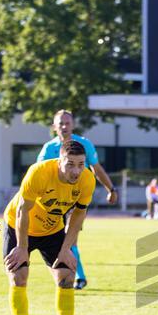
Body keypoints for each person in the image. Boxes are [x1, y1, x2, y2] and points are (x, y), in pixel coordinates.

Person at [4, 140, 96, 315]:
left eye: (81, 164)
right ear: (59, 161)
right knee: (19, 277)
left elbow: (78, 217)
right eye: (70, 164)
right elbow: (21, 212)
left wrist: (66, 249)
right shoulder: (39, 172)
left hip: (52, 229)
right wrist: (22, 247)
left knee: (66, 277)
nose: (76, 170)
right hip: (19, 226)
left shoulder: (87, 180)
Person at [37, 110, 117, 290]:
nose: (64, 126)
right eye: (61, 123)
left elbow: (96, 169)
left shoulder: (84, 144)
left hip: (75, 200)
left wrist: (111, 188)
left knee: (70, 238)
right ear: (54, 127)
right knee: (61, 240)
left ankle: (78, 276)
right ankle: (74, 274)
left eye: (67, 123)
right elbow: (37, 174)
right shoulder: (48, 149)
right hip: (53, 203)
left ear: (73, 125)